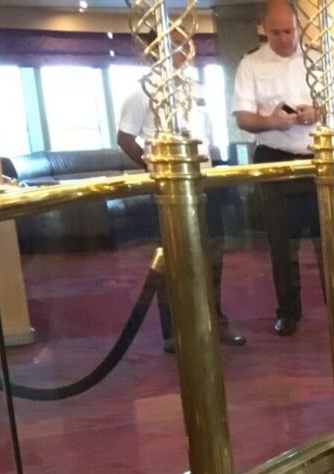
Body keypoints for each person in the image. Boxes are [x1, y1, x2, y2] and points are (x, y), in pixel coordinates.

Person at [116, 31, 244, 352]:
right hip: (169, 188)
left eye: (186, 45)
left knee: (213, 256)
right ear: (155, 51)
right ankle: (176, 331)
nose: (185, 51)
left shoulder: (195, 88)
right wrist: (154, 168)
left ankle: (216, 323)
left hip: (205, 182)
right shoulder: (141, 92)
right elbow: (125, 138)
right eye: (175, 46)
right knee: (173, 260)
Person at [232, 0, 320, 337]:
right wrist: (271, 120)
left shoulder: (315, 59)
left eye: (289, 31)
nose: (284, 38)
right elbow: (243, 118)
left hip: (315, 159)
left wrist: (317, 111)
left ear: (299, 26)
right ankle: (288, 312)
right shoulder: (250, 64)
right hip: (274, 160)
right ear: (263, 29)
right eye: (276, 32)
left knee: (330, 240)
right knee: (282, 244)